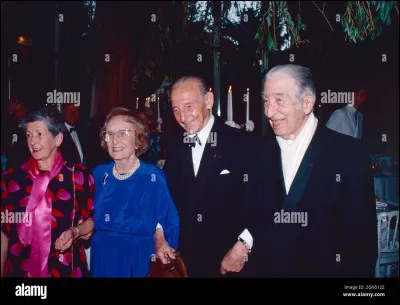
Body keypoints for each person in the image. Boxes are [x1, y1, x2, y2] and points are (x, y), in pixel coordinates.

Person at [248, 64, 377, 277]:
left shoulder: (349, 155)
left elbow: (361, 243)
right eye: (266, 101)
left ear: (307, 103)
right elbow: (256, 216)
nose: (269, 112)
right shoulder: (261, 152)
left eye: (279, 101)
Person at [163, 76, 255, 277]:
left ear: (209, 101)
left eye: (188, 106)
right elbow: (167, 199)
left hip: (230, 261)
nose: (182, 117)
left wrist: (243, 246)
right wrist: (160, 236)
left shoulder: (242, 143)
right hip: (188, 262)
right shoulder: (175, 145)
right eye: (176, 109)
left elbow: (263, 201)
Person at [1, 107, 94, 278]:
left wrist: (75, 232)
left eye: (39, 134)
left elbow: (89, 222)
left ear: (58, 139)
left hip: (66, 268)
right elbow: (3, 233)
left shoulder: (79, 176)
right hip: (20, 270)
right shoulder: (11, 179)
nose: (32, 141)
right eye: (28, 135)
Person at [90, 107, 179, 277]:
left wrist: (161, 240)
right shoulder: (98, 174)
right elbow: (86, 216)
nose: (115, 140)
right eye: (109, 134)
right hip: (103, 258)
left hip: (139, 259)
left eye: (123, 133)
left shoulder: (153, 176)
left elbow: (165, 217)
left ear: (138, 139)